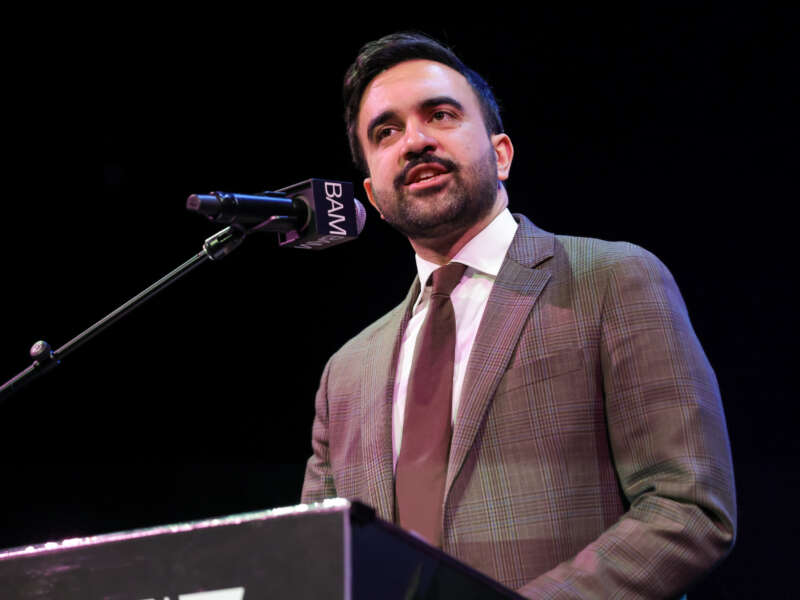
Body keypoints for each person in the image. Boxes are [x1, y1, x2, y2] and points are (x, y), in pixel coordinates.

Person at [301, 32, 736, 598]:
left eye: (440, 114)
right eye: (386, 131)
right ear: (374, 197)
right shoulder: (345, 372)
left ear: (501, 154)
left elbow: (688, 506)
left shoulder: (611, 279)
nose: (415, 141)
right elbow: (317, 564)